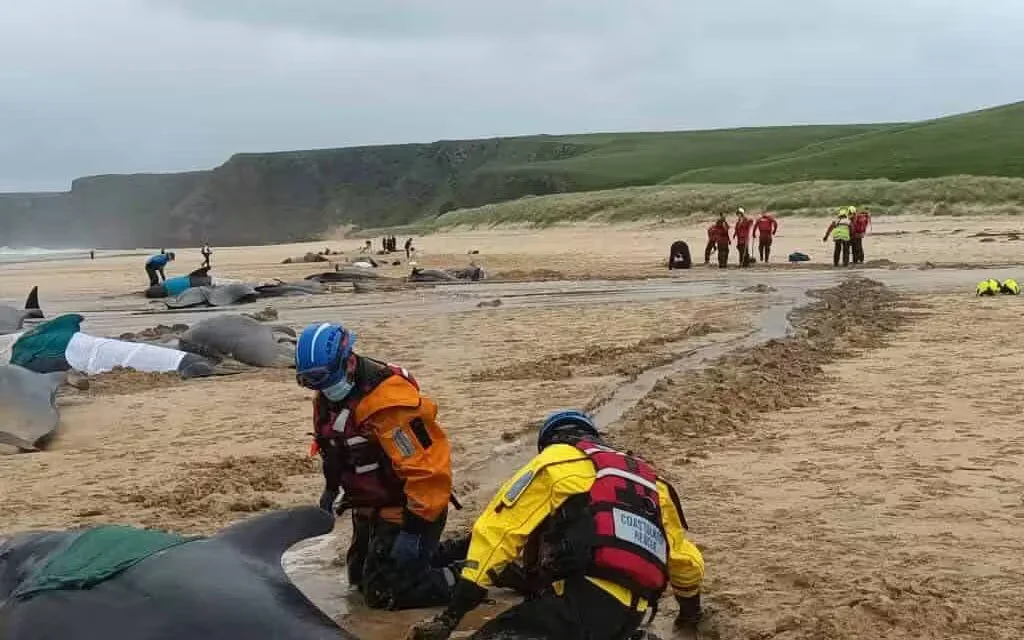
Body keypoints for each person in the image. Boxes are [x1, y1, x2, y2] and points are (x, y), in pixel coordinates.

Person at [408, 410, 705, 640]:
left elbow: (498, 532)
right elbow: (684, 560)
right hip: (633, 613)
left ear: (549, 442)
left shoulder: (554, 461)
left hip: (581, 602)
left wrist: (450, 617)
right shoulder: (654, 483)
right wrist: (689, 615)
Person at [295, 322, 465, 611]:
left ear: (349, 362)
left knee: (385, 594)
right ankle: (445, 553)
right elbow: (333, 449)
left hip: (411, 507)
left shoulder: (389, 406)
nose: (319, 387)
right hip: (369, 506)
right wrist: (330, 489)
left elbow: (428, 472)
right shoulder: (327, 398)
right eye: (308, 381)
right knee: (358, 581)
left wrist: (413, 530)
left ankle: (476, 575)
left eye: (322, 378)